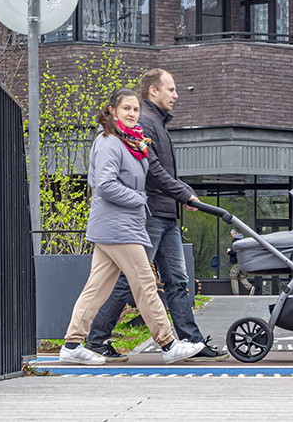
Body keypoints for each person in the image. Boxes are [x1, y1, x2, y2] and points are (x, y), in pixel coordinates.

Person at [85, 69, 229, 362]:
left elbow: (162, 171)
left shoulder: (156, 123)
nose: (176, 95)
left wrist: (184, 192)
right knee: (131, 280)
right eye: (171, 89)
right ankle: (96, 339)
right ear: (154, 90)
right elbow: (153, 172)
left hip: (166, 215)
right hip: (149, 215)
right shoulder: (146, 123)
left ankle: (191, 342)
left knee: (176, 280)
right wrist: (183, 193)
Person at [58, 88, 204, 365]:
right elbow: (104, 184)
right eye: (126, 108)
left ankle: (72, 344)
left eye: (136, 109)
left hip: (119, 224)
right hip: (117, 226)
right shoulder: (109, 142)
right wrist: (139, 199)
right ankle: (168, 343)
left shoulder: (130, 143)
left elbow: (145, 175)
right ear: (112, 111)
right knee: (145, 283)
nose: (132, 114)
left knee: (98, 287)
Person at [228, 228, 256, 295]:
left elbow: (234, 252)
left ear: (234, 234)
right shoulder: (243, 240)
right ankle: (250, 287)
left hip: (236, 261)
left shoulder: (235, 241)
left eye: (232, 234)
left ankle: (236, 294)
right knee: (242, 276)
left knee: (233, 276)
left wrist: (229, 251)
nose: (232, 236)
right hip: (243, 261)